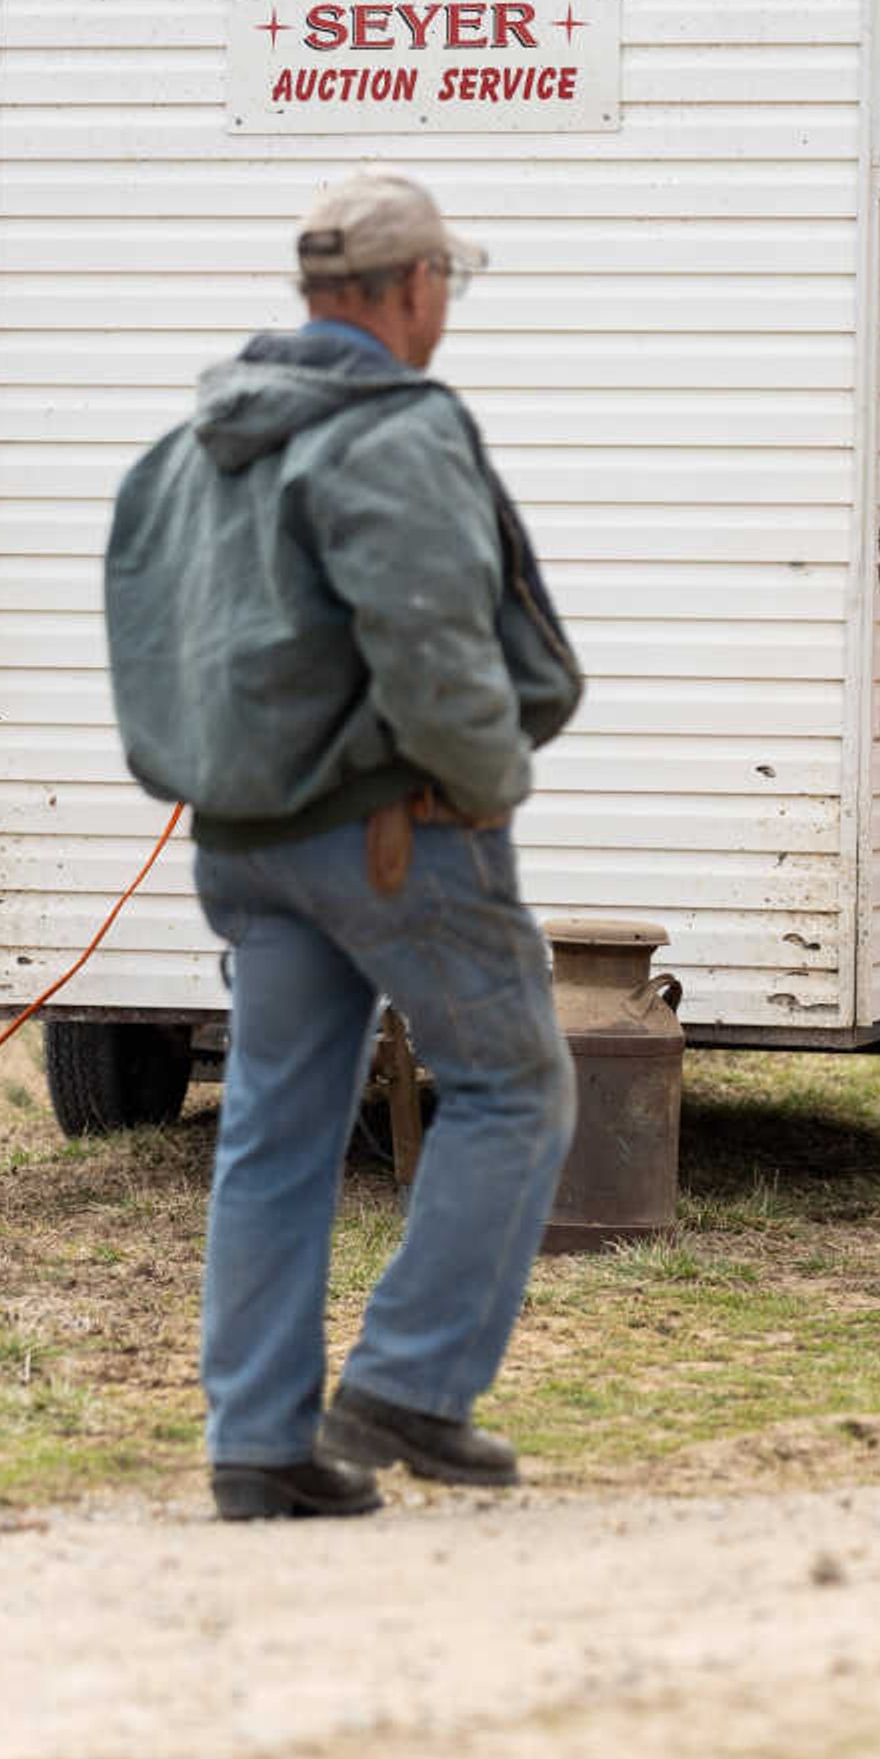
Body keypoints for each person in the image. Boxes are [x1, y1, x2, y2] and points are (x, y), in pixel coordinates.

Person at [104, 170, 583, 1519]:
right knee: (512, 1086)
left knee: (276, 1130)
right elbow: (431, 638)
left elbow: (150, 621)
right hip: (392, 830)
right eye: (449, 285)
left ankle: (258, 1449)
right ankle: (411, 1385)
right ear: (414, 286)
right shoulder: (397, 428)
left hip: (242, 837)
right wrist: (483, 784)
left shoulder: (202, 437)